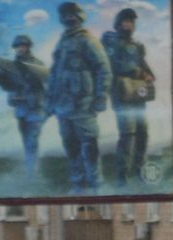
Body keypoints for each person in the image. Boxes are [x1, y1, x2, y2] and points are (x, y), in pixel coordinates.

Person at [46, 1, 110, 191]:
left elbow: (103, 70)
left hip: (83, 104)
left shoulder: (88, 40)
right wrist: (50, 102)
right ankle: (78, 183)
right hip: (63, 106)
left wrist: (100, 99)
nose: (69, 18)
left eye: (72, 14)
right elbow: (54, 73)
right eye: (65, 15)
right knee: (70, 145)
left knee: (89, 144)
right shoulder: (62, 41)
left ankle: (96, 183)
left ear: (80, 17)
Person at [100, 7, 155, 187]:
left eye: (132, 21)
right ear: (118, 23)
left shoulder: (137, 45)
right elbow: (114, 64)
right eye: (126, 20)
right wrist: (139, 72)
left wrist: (149, 74)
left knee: (142, 133)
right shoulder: (111, 41)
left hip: (137, 95)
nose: (129, 24)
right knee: (127, 135)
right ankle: (122, 177)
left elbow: (143, 63)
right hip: (121, 94)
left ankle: (141, 172)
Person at [0, 35, 50, 177]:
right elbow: (10, 87)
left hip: (35, 108)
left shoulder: (37, 64)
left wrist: (30, 95)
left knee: (32, 139)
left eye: (23, 46)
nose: (20, 48)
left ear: (28, 47)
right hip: (21, 110)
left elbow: (45, 87)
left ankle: (32, 171)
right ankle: (30, 168)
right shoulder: (10, 66)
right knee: (26, 140)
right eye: (17, 46)